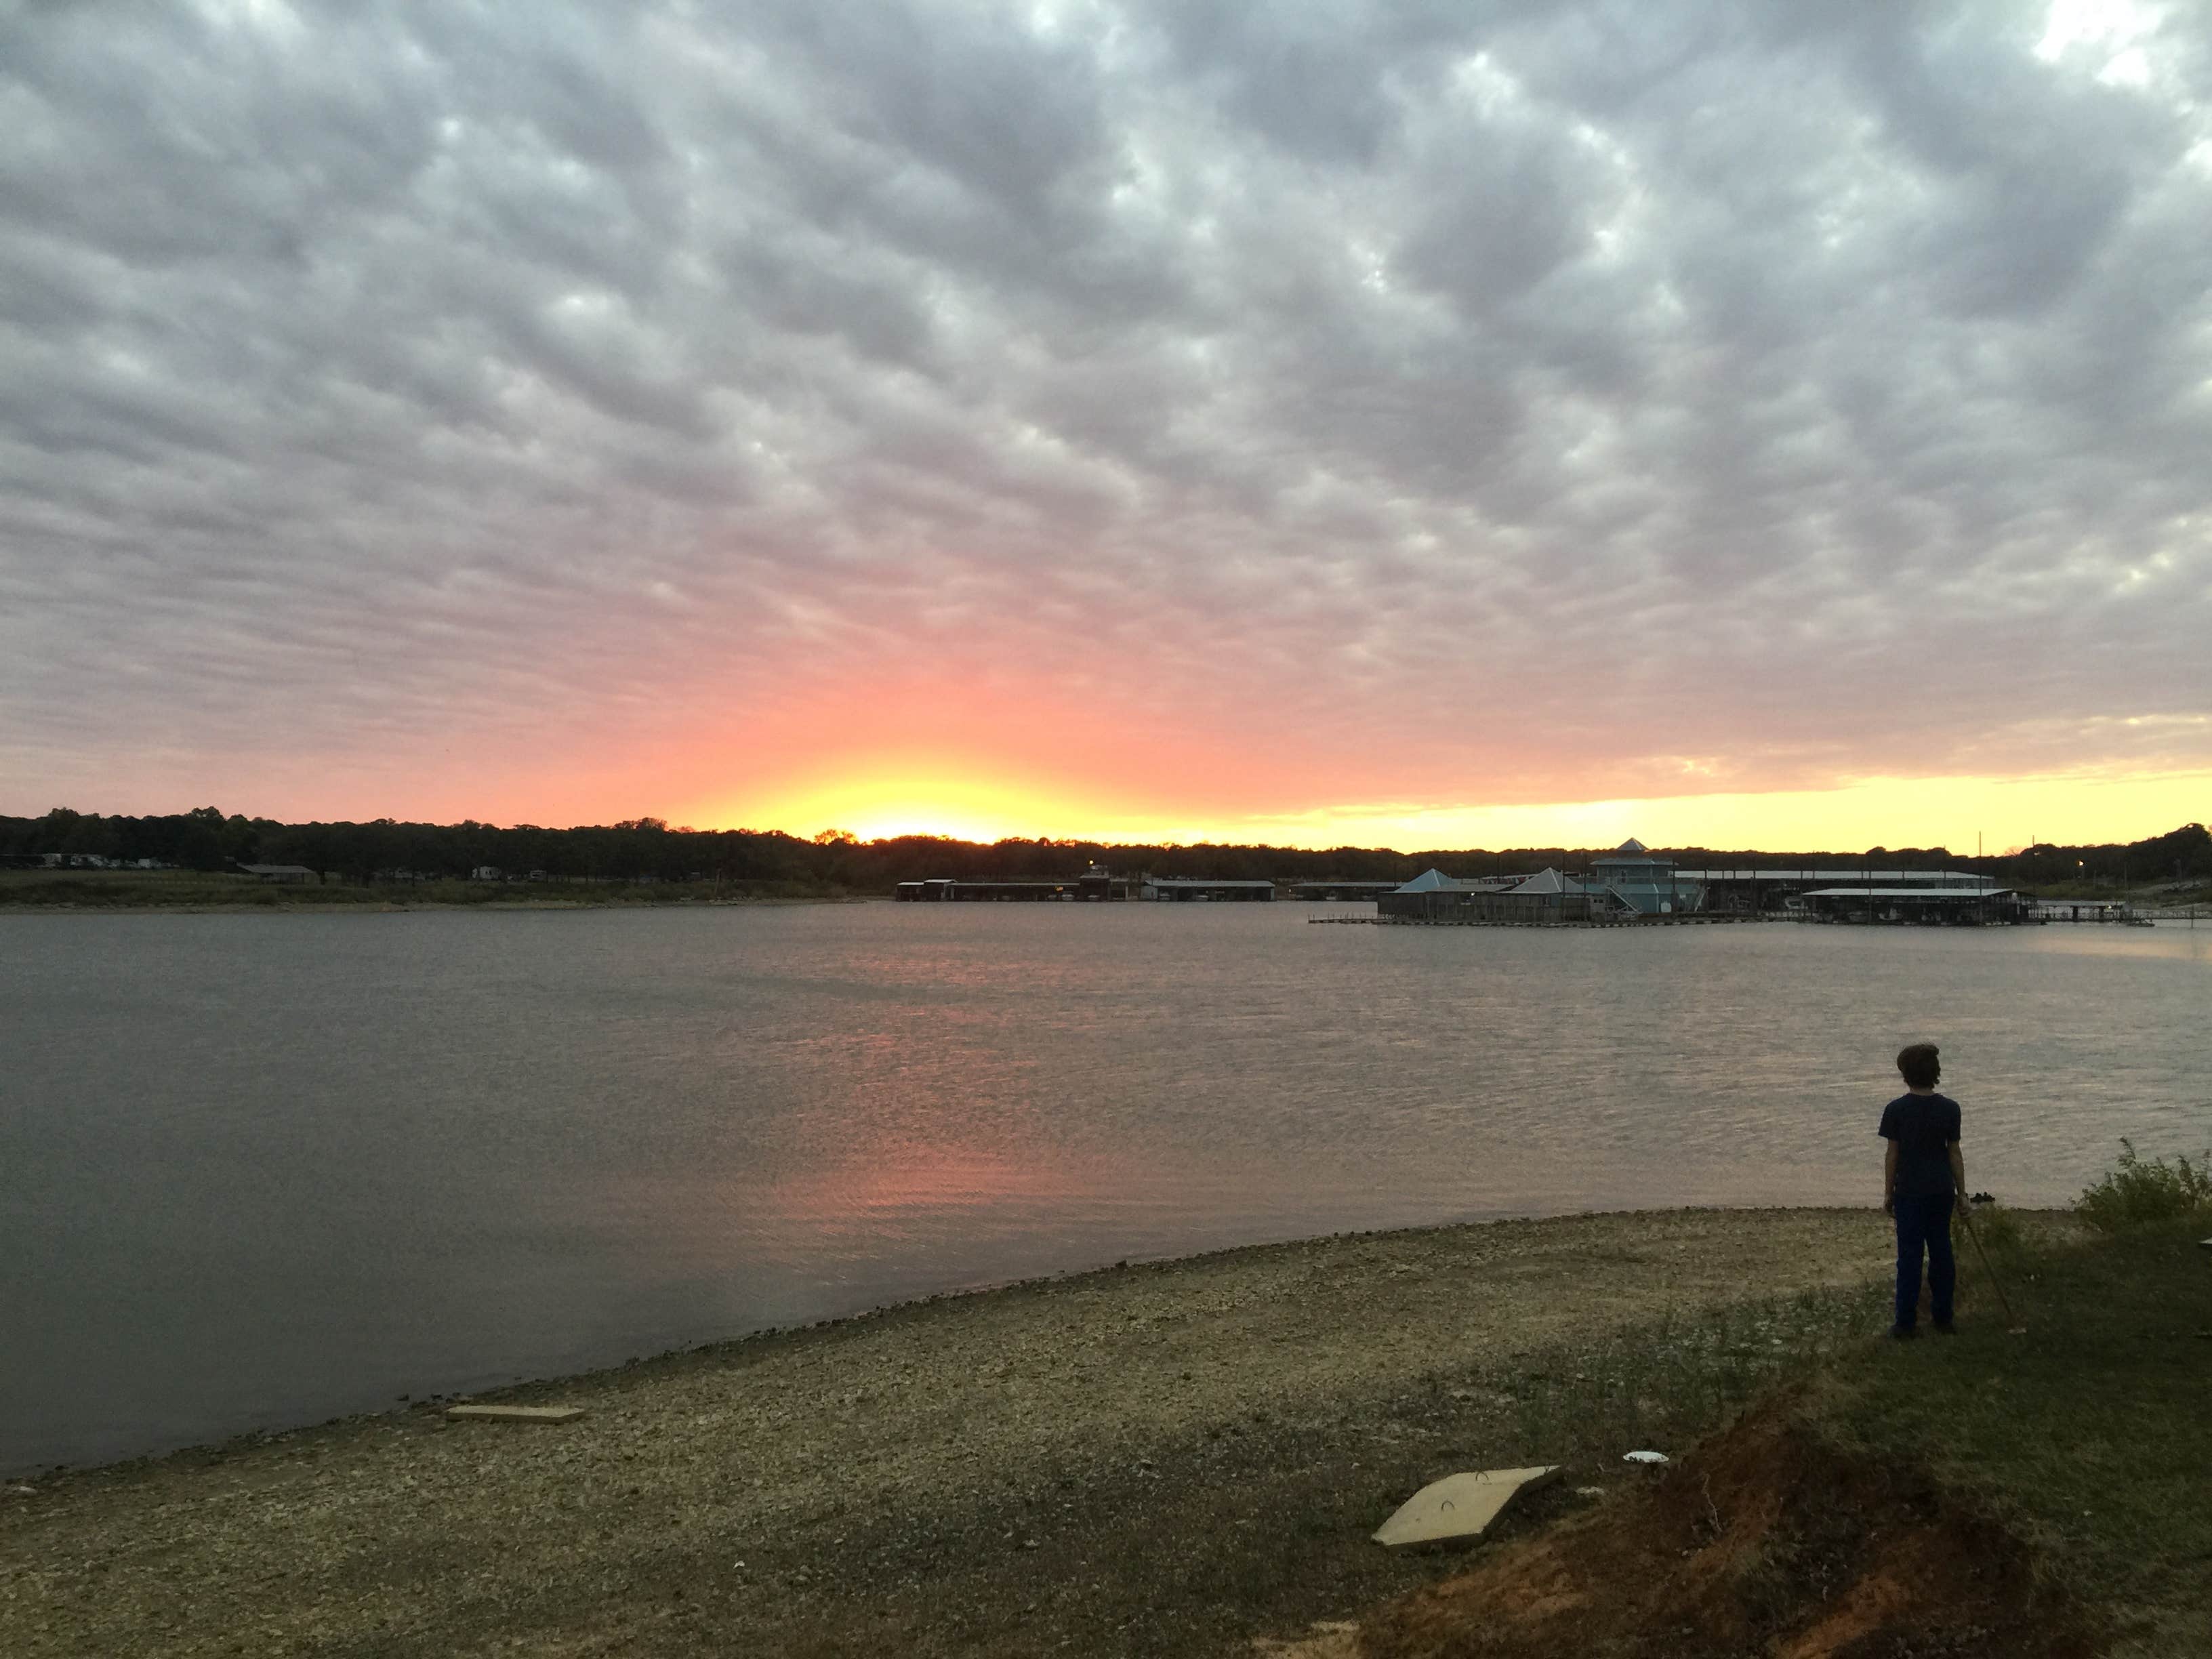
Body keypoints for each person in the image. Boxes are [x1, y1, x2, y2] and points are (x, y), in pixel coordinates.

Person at [1879, 1042, 1967, 1339]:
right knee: (1942, 1252)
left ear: (1906, 1075)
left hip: (1910, 1191)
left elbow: (1893, 1155)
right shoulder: (1950, 1109)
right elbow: (1954, 1153)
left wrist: (1888, 1192)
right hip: (1942, 1189)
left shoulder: (1896, 1110)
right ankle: (1943, 1318)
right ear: (1935, 1073)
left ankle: (1905, 1323)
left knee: (1910, 1257)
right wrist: (1963, 1193)